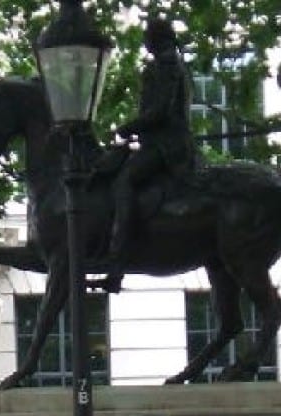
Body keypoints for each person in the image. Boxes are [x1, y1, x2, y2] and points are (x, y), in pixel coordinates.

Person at [104, 13, 196, 293]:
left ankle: (117, 264)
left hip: (167, 147)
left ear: (157, 39)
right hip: (159, 142)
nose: (144, 42)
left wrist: (128, 127)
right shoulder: (170, 63)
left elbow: (160, 112)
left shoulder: (167, 65)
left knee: (124, 182)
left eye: (147, 37)